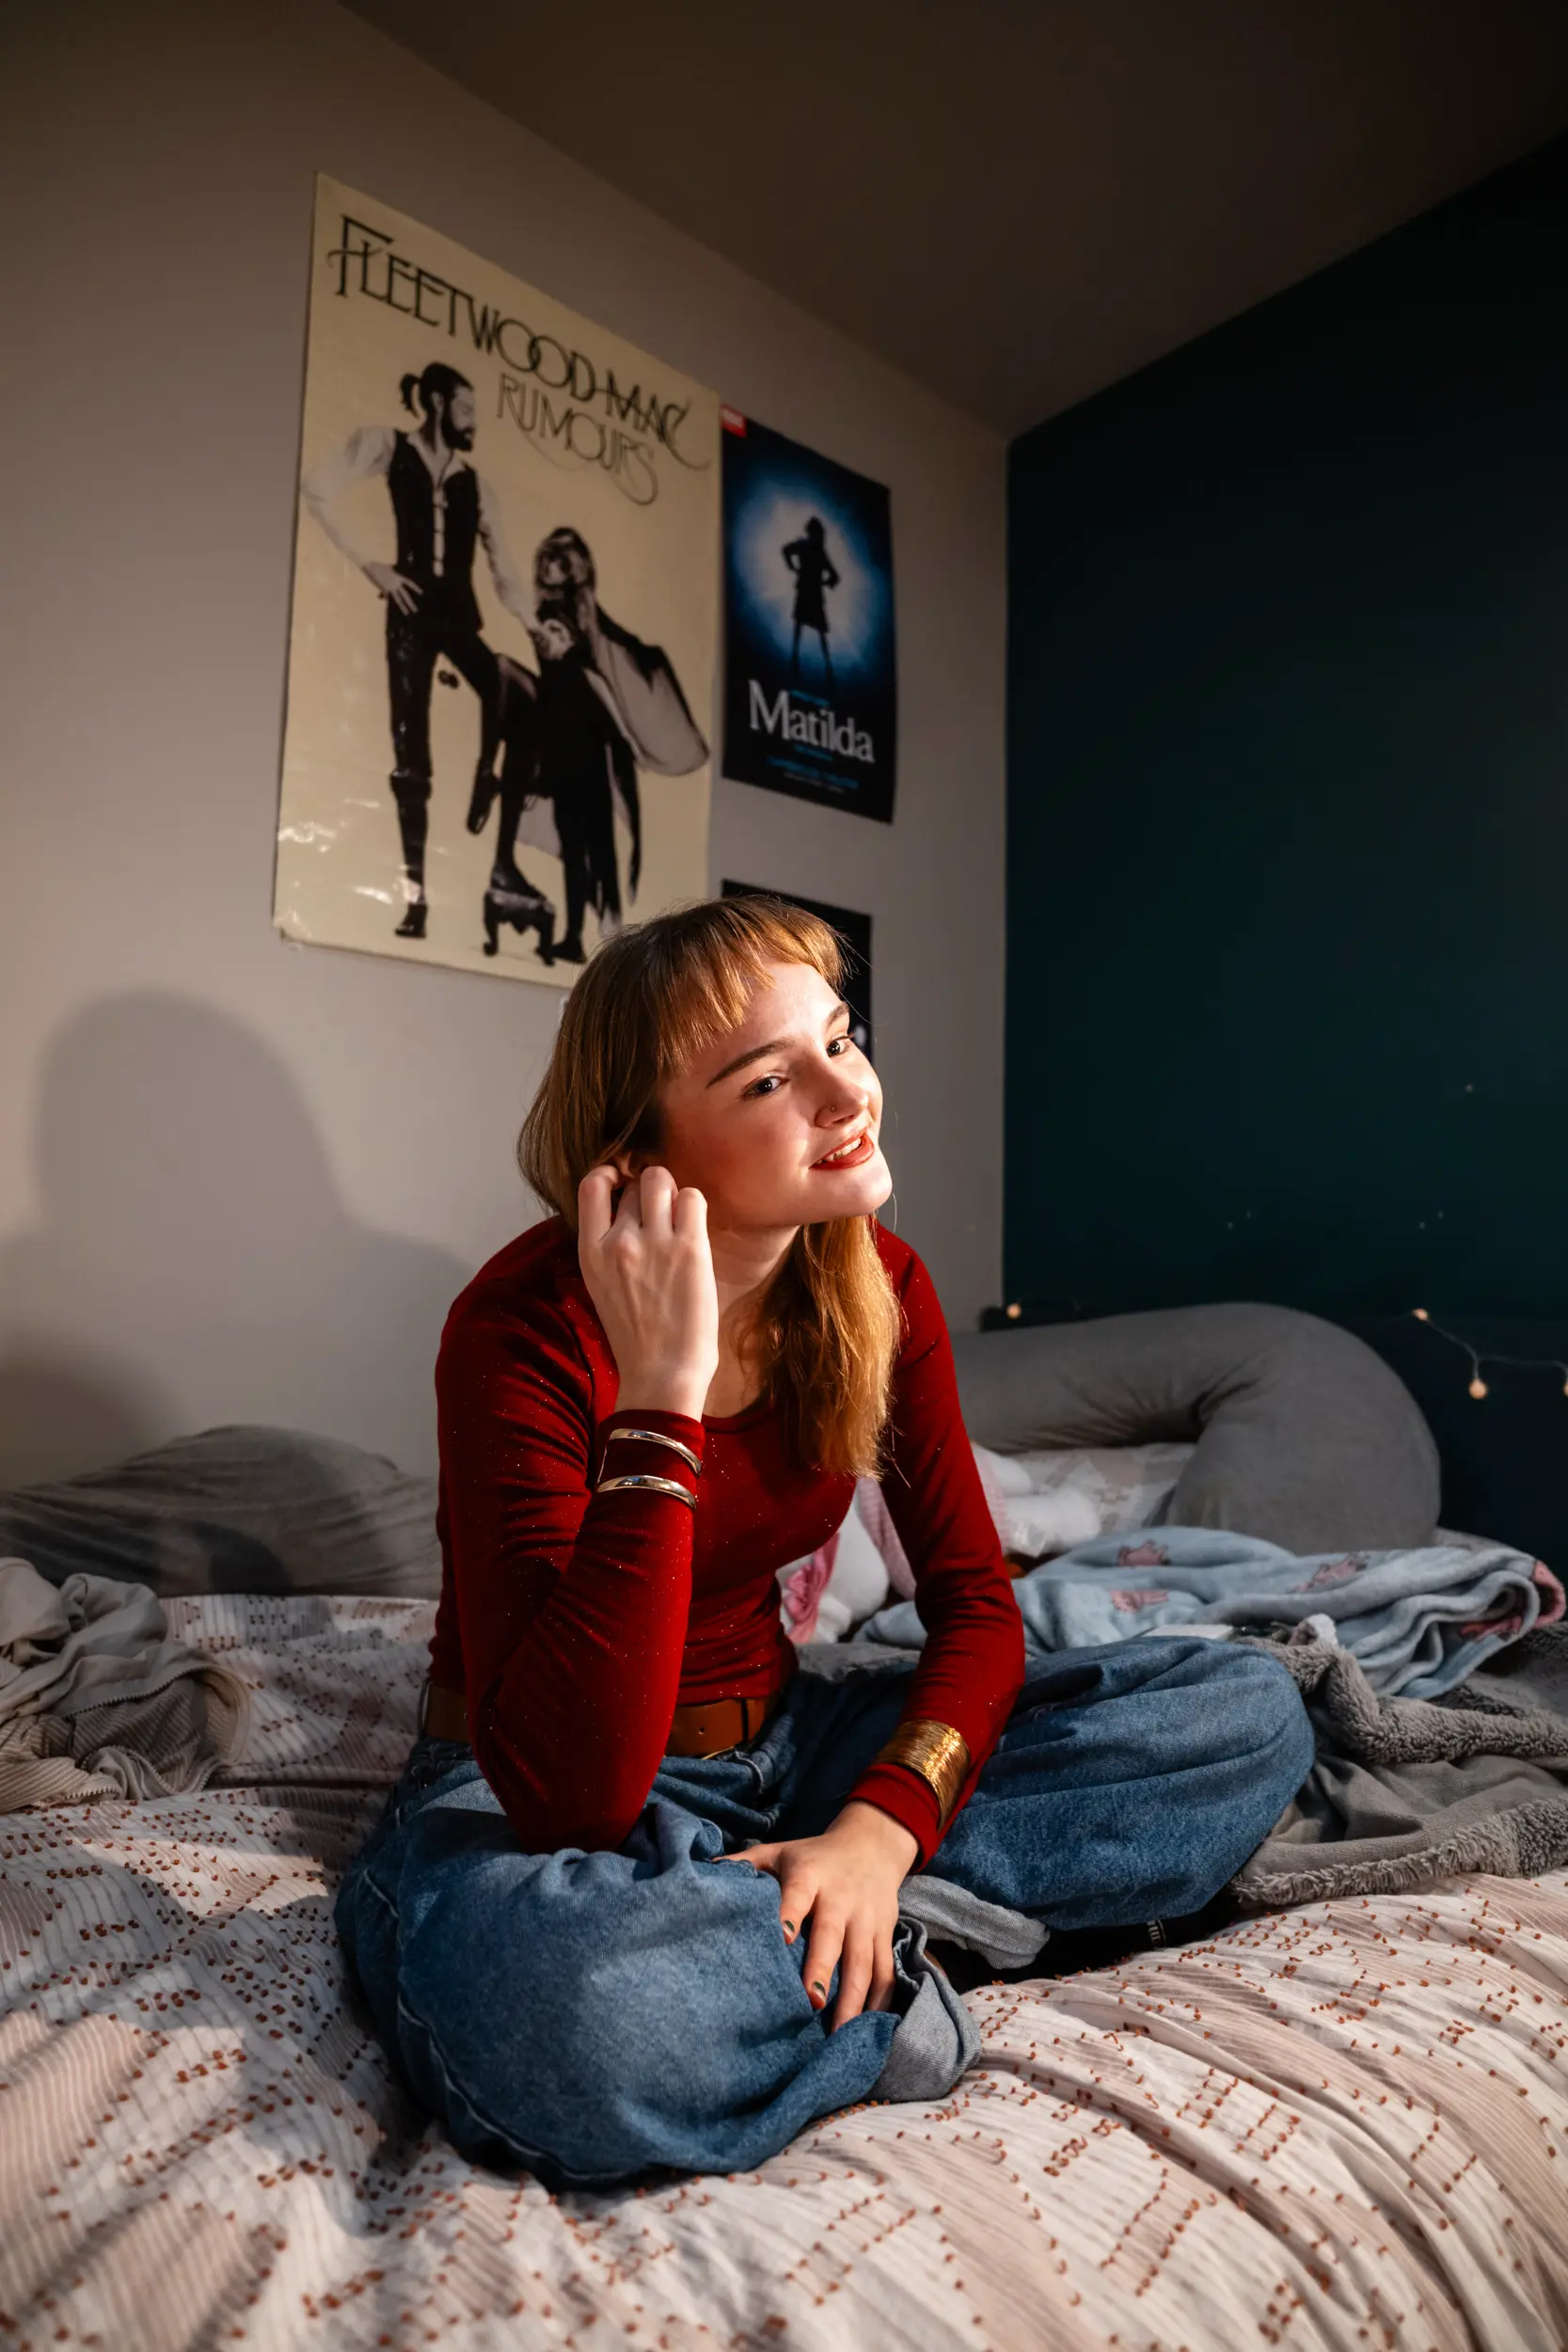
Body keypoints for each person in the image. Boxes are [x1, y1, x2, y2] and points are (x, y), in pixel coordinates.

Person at [335, 897, 1313, 2185]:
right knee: (562, 2019)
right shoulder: (520, 1326)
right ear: (643, 1150)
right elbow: (571, 1790)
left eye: (840, 1041)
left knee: (1242, 1709)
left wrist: (878, 1836)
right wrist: (659, 1393)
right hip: (538, 1796)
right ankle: (894, 1966)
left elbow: (972, 1603)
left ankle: (827, 1922)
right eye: (768, 1079)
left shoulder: (874, 1285)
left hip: (788, 1748)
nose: (843, 1092)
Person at [300, 363, 535, 941]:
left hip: (457, 618)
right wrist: (372, 565)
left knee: (517, 692)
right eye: (464, 409)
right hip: (407, 617)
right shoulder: (389, 446)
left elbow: (503, 568)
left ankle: (488, 773)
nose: (472, 421)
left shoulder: (477, 485)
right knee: (412, 757)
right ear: (434, 402)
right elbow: (317, 487)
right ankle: (417, 900)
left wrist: (534, 625)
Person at [784, 514, 840, 689]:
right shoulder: (811, 548)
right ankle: (800, 659)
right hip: (810, 592)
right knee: (804, 626)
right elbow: (786, 550)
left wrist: (794, 567)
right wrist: (792, 567)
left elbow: (834, 576)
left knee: (811, 628)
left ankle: (826, 664)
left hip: (812, 593)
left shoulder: (813, 549)